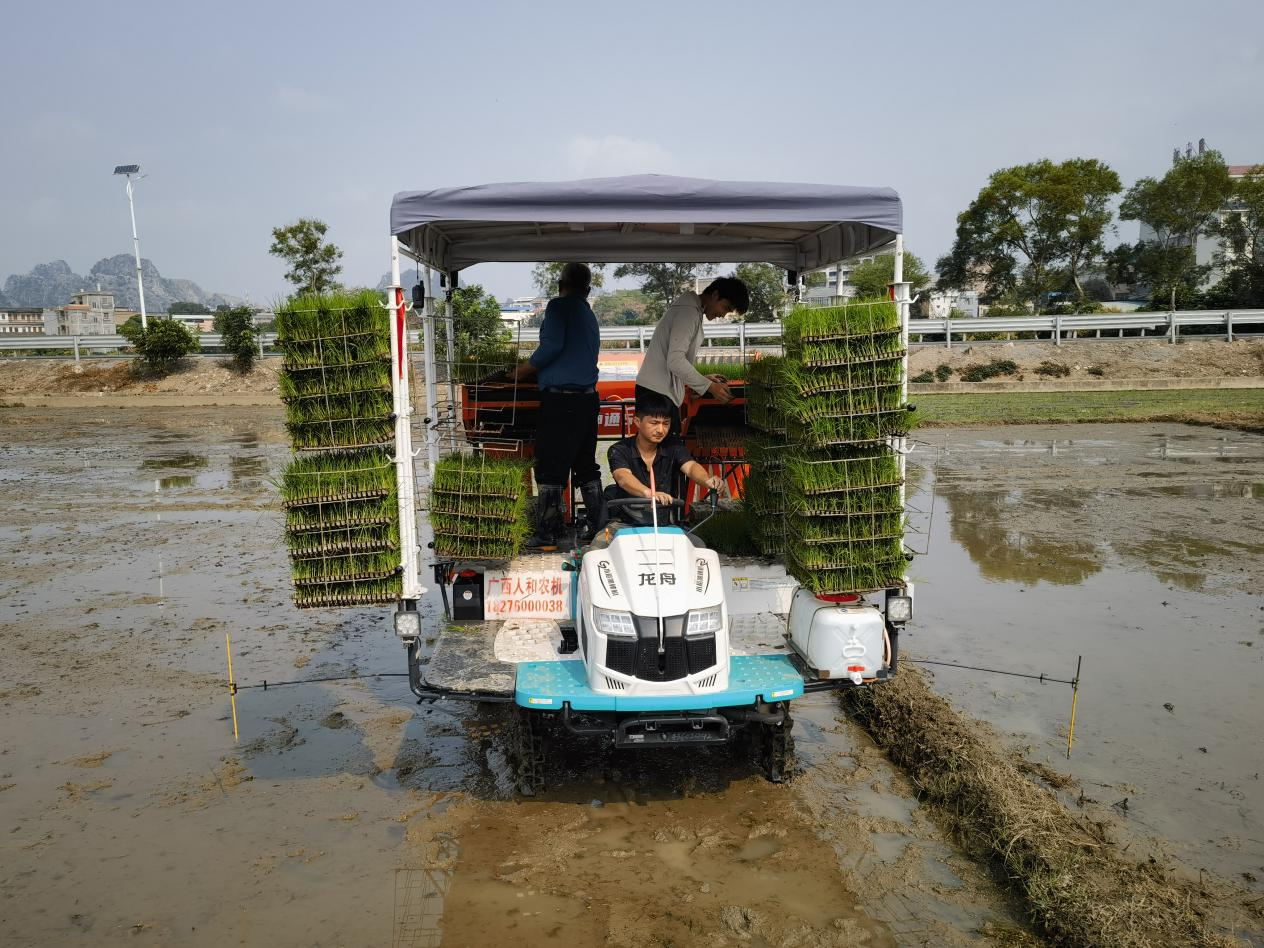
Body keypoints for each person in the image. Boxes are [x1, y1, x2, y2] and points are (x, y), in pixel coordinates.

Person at [512, 263, 603, 551]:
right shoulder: (588, 313)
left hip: (562, 400)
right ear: (587, 289)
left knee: (550, 466)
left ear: (560, 285)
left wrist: (521, 371)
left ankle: (548, 533)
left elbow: (551, 347)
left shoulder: (558, 306)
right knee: (585, 464)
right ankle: (598, 526)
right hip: (587, 399)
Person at [635, 276, 750, 438]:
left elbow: (674, 361)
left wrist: (702, 381)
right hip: (657, 397)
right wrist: (709, 386)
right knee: (666, 451)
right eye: (725, 307)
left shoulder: (691, 310)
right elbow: (675, 361)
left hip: (658, 393)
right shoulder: (688, 313)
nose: (723, 314)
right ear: (715, 295)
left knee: (667, 450)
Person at [603, 390, 727, 529]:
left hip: (665, 525)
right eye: (654, 423)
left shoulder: (673, 446)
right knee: (599, 543)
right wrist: (650, 494)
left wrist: (707, 480)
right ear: (637, 421)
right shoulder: (619, 449)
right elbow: (623, 477)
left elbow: (691, 466)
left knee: (696, 542)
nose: (661, 430)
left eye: (666, 423)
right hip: (624, 524)